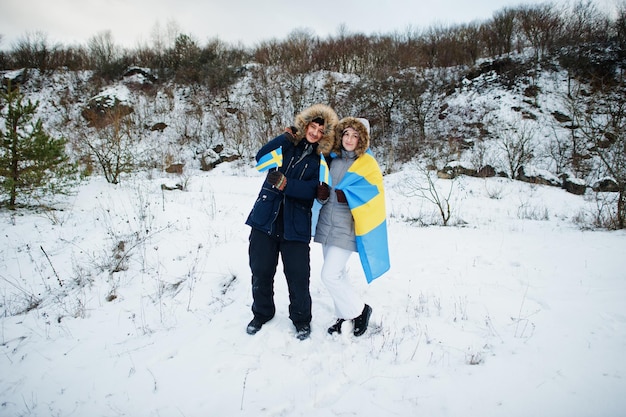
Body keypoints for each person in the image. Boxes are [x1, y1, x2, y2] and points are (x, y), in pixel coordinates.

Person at [245, 104, 338, 340]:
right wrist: (286, 137)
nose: (315, 132)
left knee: (298, 276)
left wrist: (288, 184)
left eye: (320, 130)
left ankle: (301, 319)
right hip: (266, 218)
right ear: (304, 125)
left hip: (295, 224)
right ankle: (262, 313)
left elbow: (315, 190)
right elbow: (261, 157)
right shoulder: (286, 147)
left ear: (324, 135)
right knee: (261, 271)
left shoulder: (322, 161)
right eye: (312, 126)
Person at [314, 117, 389, 337]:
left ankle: (360, 310)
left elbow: (374, 195)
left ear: (362, 139)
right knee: (339, 275)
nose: (349, 139)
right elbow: (322, 185)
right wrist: (321, 195)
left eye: (355, 136)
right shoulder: (332, 160)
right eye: (346, 134)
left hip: (347, 227)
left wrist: (350, 197)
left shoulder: (367, 164)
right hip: (327, 224)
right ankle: (343, 315)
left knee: (329, 275)